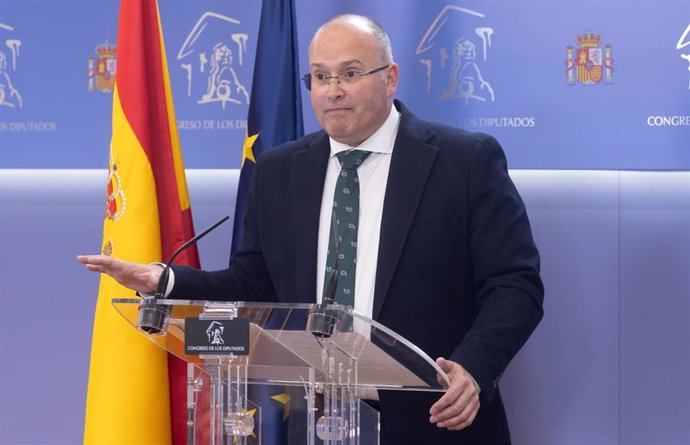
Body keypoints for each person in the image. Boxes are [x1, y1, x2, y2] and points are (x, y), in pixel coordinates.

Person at [79, 14, 543, 445]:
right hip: (316, 421)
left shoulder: (464, 160)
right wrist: (166, 281)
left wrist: (473, 368)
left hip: (436, 420)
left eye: (350, 73)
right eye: (320, 77)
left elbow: (514, 284)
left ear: (390, 77)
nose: (333, 90)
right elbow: (254, 285)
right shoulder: (281, 170)